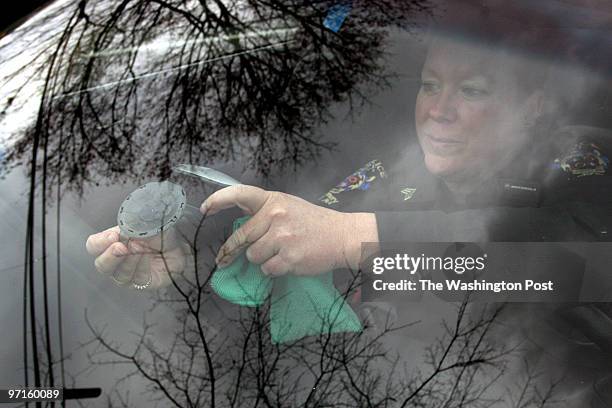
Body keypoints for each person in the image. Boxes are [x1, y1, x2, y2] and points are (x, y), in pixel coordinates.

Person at [86, 18, 612, 406]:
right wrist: (195, 270)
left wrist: (354, 237)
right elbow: (298, 275)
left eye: (471, 90)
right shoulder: (381, 179)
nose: (438, 109)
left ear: (533, 106)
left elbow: (566, 264)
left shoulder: (584, 160)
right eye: (430, 85)